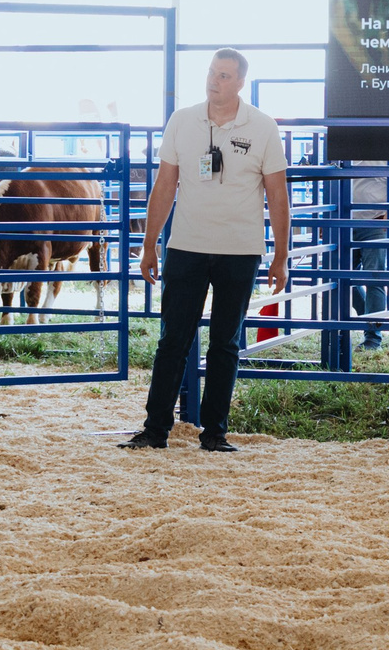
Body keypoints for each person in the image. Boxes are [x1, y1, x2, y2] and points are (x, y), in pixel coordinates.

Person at [122, 50, 290, 452]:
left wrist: (281, 254)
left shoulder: (264, 127)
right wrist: (150, 245)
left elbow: (277, 194)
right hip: (186, 246)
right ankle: (155, 429)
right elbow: (165, 186)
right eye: (212, 73)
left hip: (240, 249)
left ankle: (214, 432)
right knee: (173, 339)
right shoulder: (182, 121)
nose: (215, 81)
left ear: (239, 83)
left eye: (225, 75)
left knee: (226, 342)